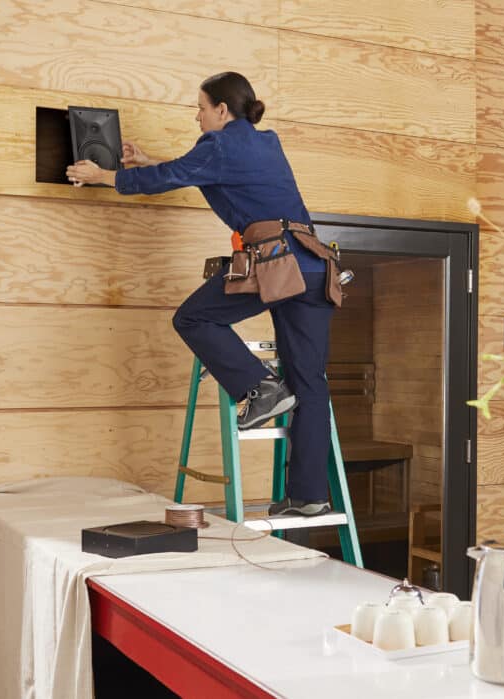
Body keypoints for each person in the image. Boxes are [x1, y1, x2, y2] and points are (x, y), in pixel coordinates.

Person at [66, 72, 334, 517]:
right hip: (313, 266)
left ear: (222, 110)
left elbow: (180, 174)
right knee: (310, 384)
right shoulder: (266, 142)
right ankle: (309, 497)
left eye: (201, 107)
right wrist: (147, 159)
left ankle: (260, 387)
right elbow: (201, 171)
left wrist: (105, 175)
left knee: (193, 318)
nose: (197, 116)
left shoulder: (220, 146)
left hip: (275, 263)